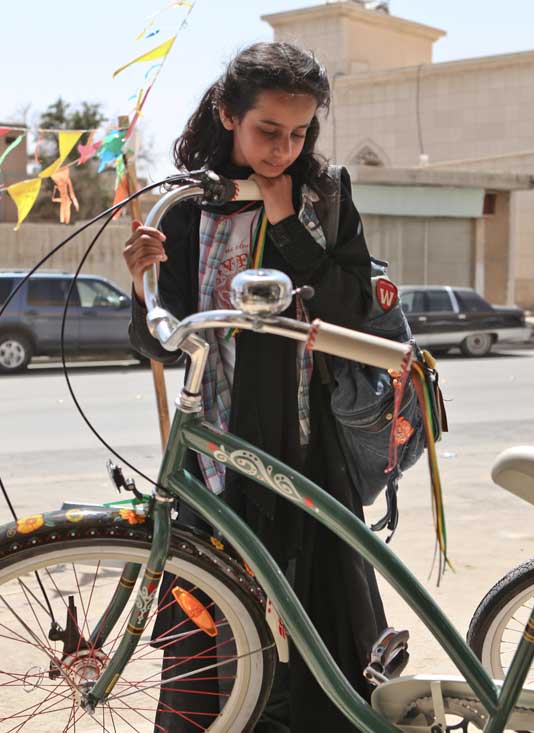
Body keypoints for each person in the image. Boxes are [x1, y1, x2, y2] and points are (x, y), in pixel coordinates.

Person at [123, 41, 386, 732]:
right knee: (209, 625)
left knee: (313, 633)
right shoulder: (185, 205)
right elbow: (159, 339)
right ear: (227, 114)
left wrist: (282, 221)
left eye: (299, 134)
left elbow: (351, 306)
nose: (283, 150)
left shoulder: (323, 196)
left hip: (305, 455)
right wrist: (141, 282)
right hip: (213, 460)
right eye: (268, 130)